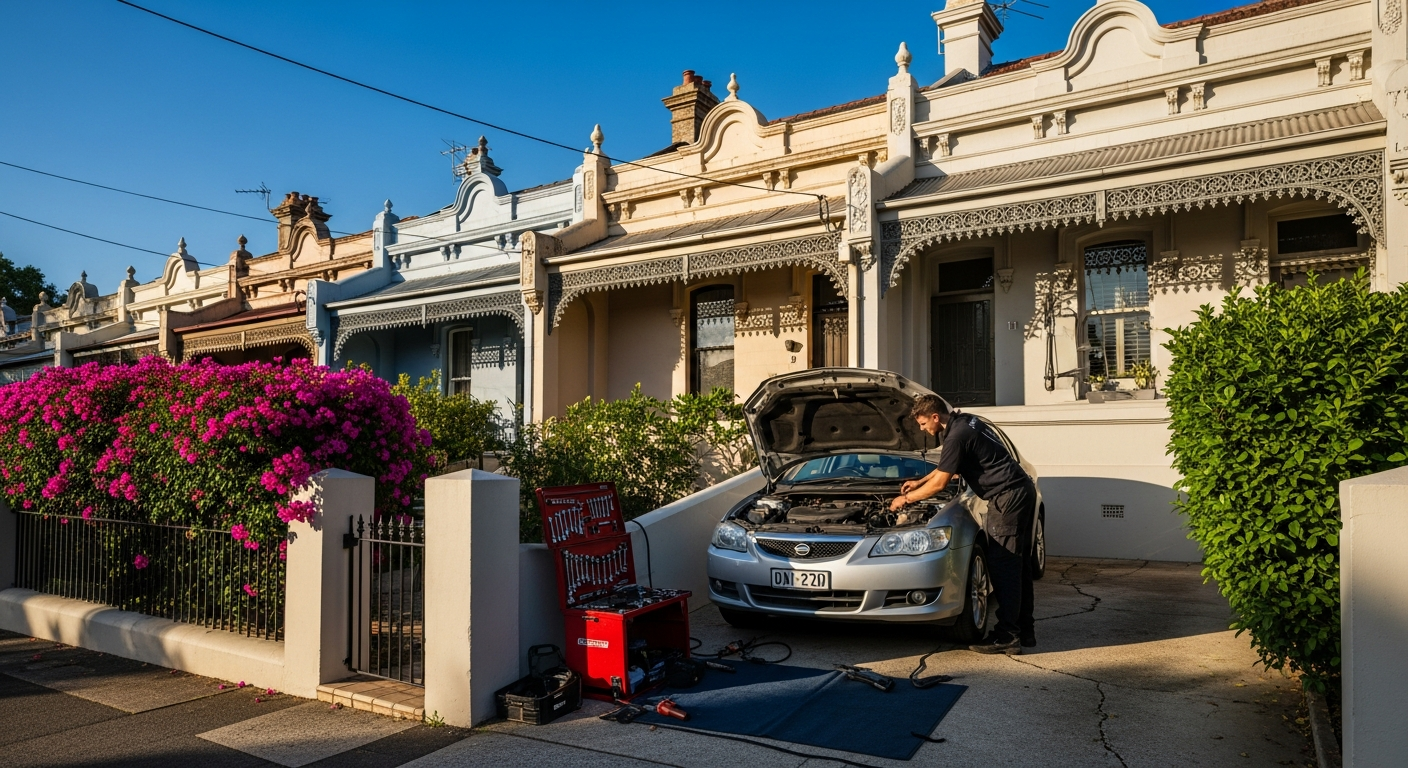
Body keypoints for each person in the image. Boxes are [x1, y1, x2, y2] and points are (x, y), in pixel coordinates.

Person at [889, 394, 1038, 655]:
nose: (923, 429)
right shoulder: (965, 422)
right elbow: (946, 466)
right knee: (1019, 565)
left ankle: (1007, 636)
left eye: (923, 424)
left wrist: (905, 499)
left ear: (935, 417)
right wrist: (919, 482)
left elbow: (941, 484)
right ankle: (1024, 631)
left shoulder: (957, 435)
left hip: (1006, 498)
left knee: (1004, 567)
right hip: (1019, 492)